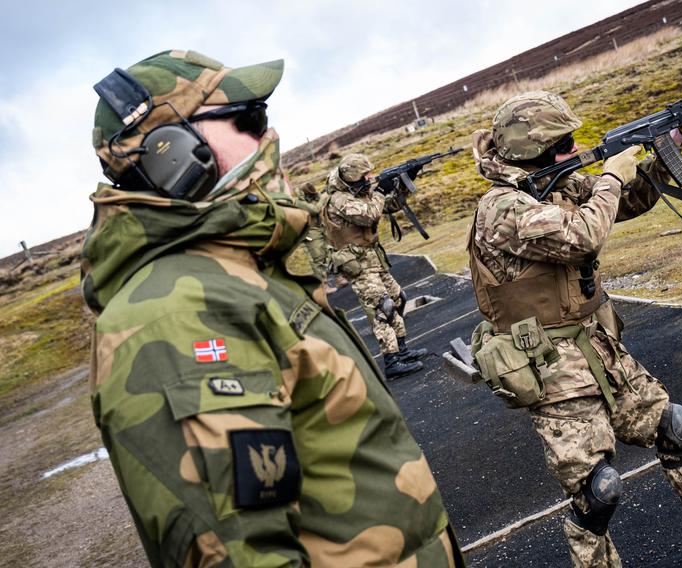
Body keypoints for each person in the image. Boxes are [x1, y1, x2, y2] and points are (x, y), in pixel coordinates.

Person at [83, 49, 462, 567]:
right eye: (249, 118)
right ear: (172, 156)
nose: (269, 135)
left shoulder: (242, 270)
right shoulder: (175, 315)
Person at [468, 90, 682, 567]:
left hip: (599, 348)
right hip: (550, 367)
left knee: (673, 427)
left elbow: (633, 199)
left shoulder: (553, 185)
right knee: (597, 492)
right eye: (562, 146)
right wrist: (606, 176)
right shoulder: (502, 209)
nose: (571, 153)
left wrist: (671, 142)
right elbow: (583, 236)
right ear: (529, 150)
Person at [322, 154, 428, 379]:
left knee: (398, 299)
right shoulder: (339, 199)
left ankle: (402, 351)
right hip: (358, 264)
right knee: (383, 309)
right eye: (365, 175)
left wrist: (405, 181)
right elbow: (369, 214)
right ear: (352, 177)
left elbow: (390, 206)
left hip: (373, 259)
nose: (370, 177)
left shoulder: (359, 192)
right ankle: (391, 362)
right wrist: (380, 190)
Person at [293, 181, 330, 282]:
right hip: (310, 231)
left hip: (320, 227)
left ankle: (338, 279)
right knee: (317, 257)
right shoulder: (299, 202)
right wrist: (322, 198)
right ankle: (323, 285)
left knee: (328, 252)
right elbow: (314, 210)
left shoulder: (309, 198)